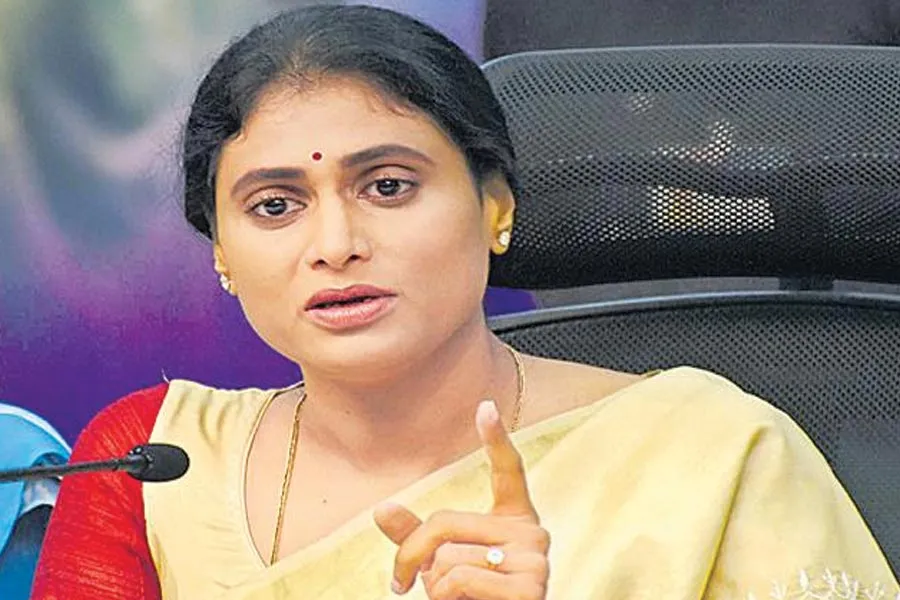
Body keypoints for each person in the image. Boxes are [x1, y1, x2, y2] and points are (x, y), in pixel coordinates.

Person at [32, 5, 898, 599]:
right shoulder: (153, 465)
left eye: (389, 186)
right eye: (274, 206)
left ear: (496, 207)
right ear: (222, 253)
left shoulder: (713, 454)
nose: (335, 243)